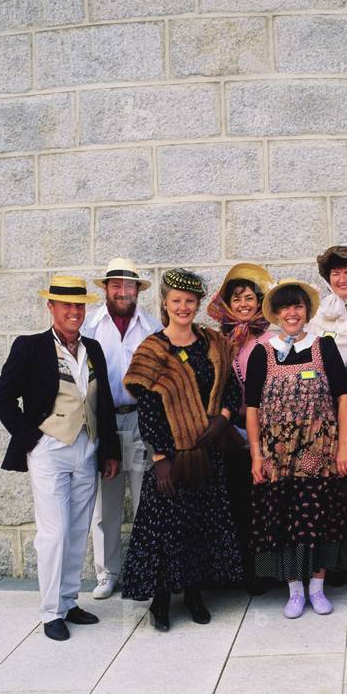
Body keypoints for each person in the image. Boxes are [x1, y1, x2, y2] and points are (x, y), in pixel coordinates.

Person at [0, 275, 121, 641]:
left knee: (79, 529)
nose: (74, 312)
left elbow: (103, 402)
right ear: (51, 308)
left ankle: (68, 601)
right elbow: (2, 399)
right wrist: (32, 438)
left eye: (79, 305)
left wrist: (109, 450)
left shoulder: (92, 348)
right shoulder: (30, 347)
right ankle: (51, 612)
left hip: (87, 446)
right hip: (49, 449)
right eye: (66, 305)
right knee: (54, 532)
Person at [118, 269, 242, 631]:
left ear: (197, 305)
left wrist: (221, 419)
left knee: (200, 523)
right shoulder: (153, 350)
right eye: (177, 301)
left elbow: (231, 391)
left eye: (190, 302)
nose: (184, 307)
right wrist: (159, 459)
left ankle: (193, 595)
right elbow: (149, 407)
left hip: (209, 451)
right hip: (172, 457)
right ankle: (160, 602)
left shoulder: (213, 343)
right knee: (164, 530)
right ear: (165, 304)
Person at [245, 280, 347, 619]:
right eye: (285, 307)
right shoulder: (262, 352)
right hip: (278, 457)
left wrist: (345, 445)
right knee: (283, 518)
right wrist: (256, 456)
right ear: (276, 314)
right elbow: (250, 408)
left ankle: (318, 588)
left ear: (307, 311)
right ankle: (294, 591)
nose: (292, 313)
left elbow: (345, 397)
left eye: (298, 307)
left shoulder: (325, 347)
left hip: (319, 452)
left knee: (319, 516)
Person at [81, 257, 158, 600]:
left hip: (142, 419)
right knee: (106, 505)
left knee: (146, 500)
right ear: (106, 290)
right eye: (116, 285)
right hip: (107, 423)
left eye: (129, 285)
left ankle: (145, 570)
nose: (123, 291)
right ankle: (107, 574)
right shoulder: (91, 328)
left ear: (137, 290)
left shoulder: (152, 327)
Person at [206, 262, 275, 593]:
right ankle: (242, 571)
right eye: (237, 299)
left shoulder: (272, 338)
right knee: (237, 502)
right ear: (227, 304)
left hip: (268, 432)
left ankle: (268, 571)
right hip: (230, 431)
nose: (244, 304)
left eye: (250, 298)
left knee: (265, 502)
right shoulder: (217, 340)